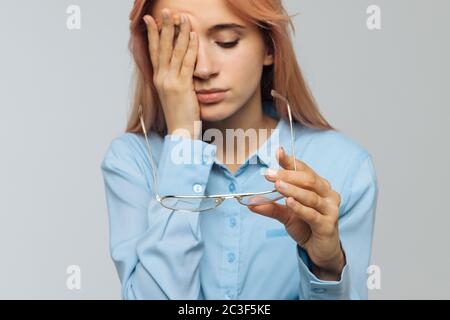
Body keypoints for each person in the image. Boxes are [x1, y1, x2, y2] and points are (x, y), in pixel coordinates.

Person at [100, 0, 378, 300]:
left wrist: (326, 267)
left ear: (269, 47)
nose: (203, 68)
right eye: (179, 44)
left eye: (226, 42)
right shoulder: (131, 161)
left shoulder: (345, 165)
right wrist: (183, 140)